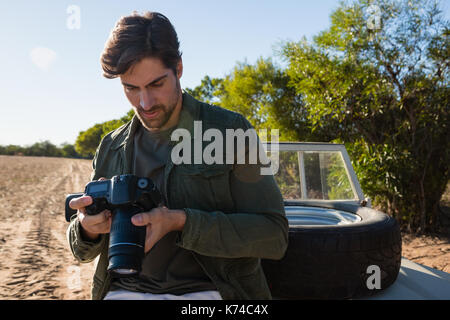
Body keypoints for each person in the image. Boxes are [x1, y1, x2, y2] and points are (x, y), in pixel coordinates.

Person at [67, 11, 288, 300]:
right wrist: (87, 229)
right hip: (121, 291)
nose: (144, 103)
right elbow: (82, 252)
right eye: (131, 88)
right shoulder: (111, 145)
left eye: (156, 84)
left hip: (210, 294)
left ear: (179, 68)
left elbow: (274, 236)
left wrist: (180, 222)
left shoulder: (231, 131)